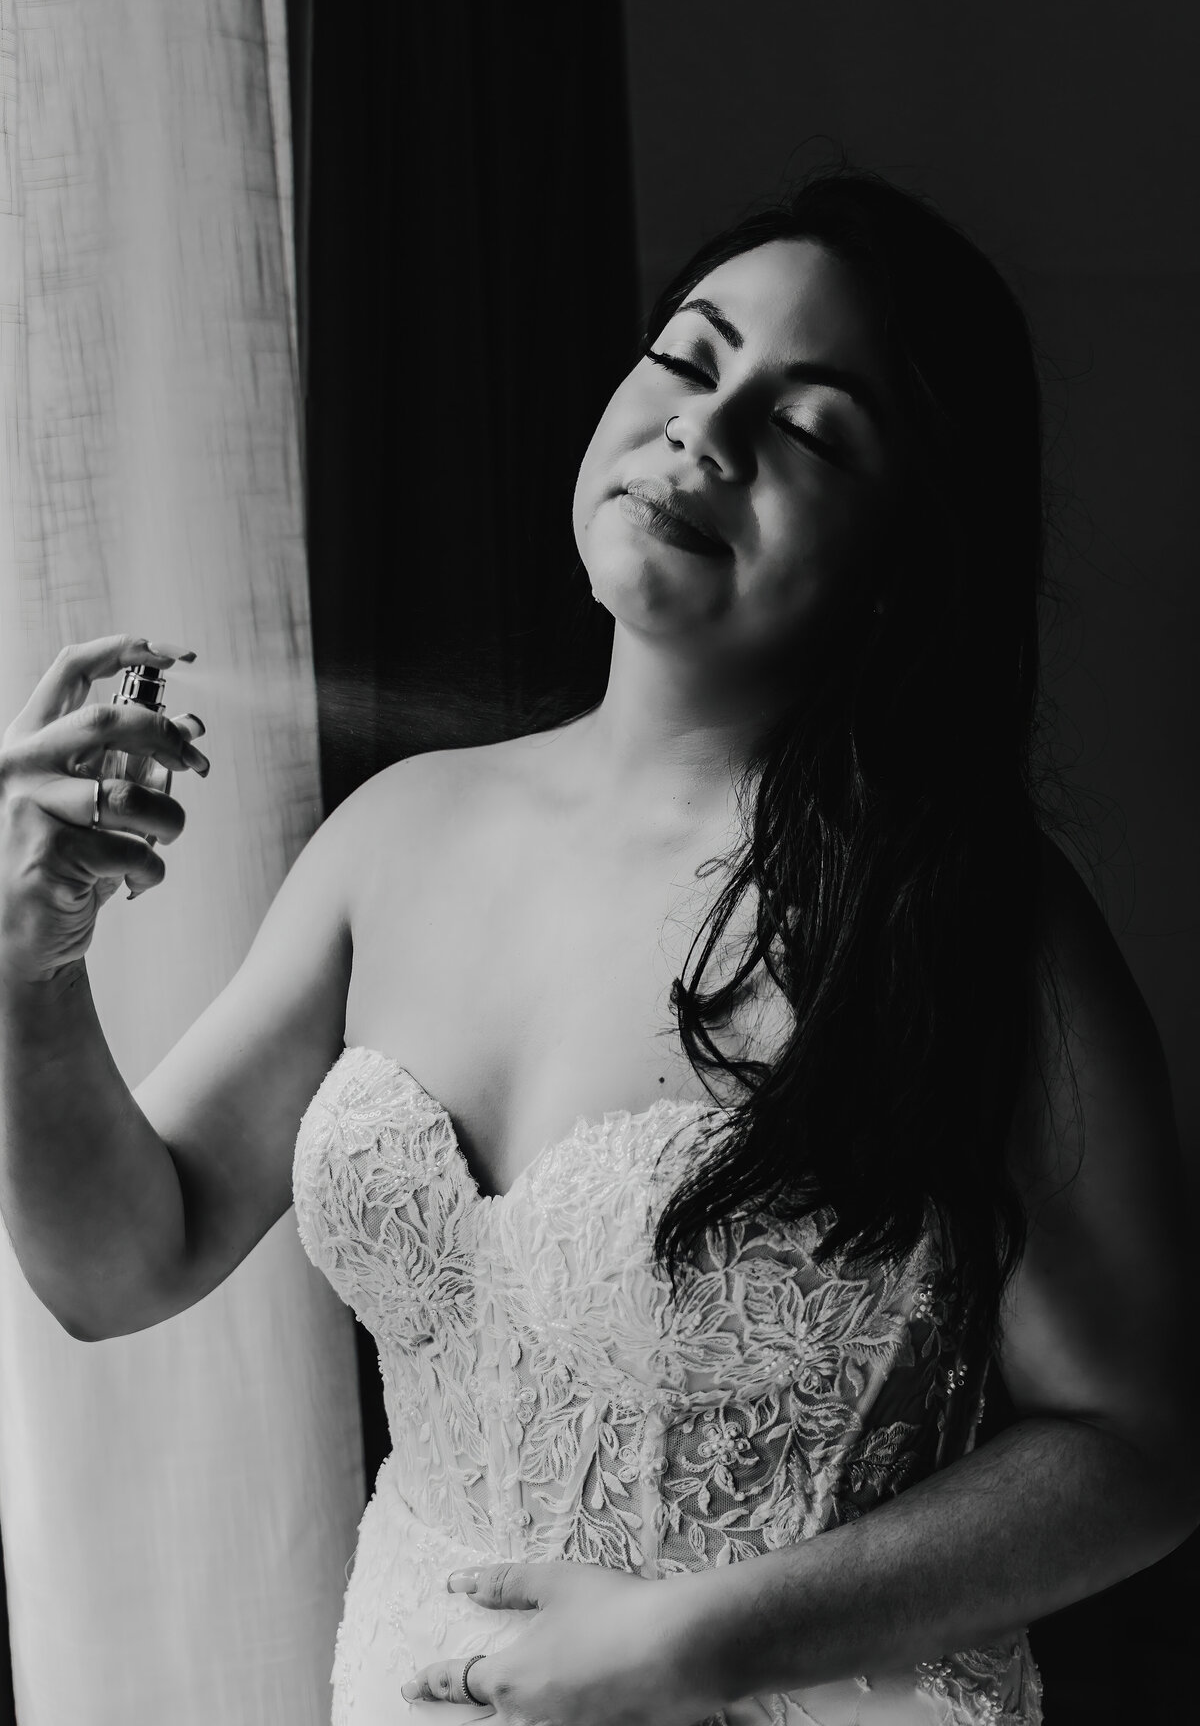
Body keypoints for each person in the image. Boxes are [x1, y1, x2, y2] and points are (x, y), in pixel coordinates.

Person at [0, 170, 1194, 1726]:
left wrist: (709, 1642)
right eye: (689, 360)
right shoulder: (397, 833)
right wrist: (32, 976)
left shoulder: (963, 915)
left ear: (908, 551)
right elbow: (119, 1262)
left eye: (812, 427)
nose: (707, 434)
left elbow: (1144, 1445)